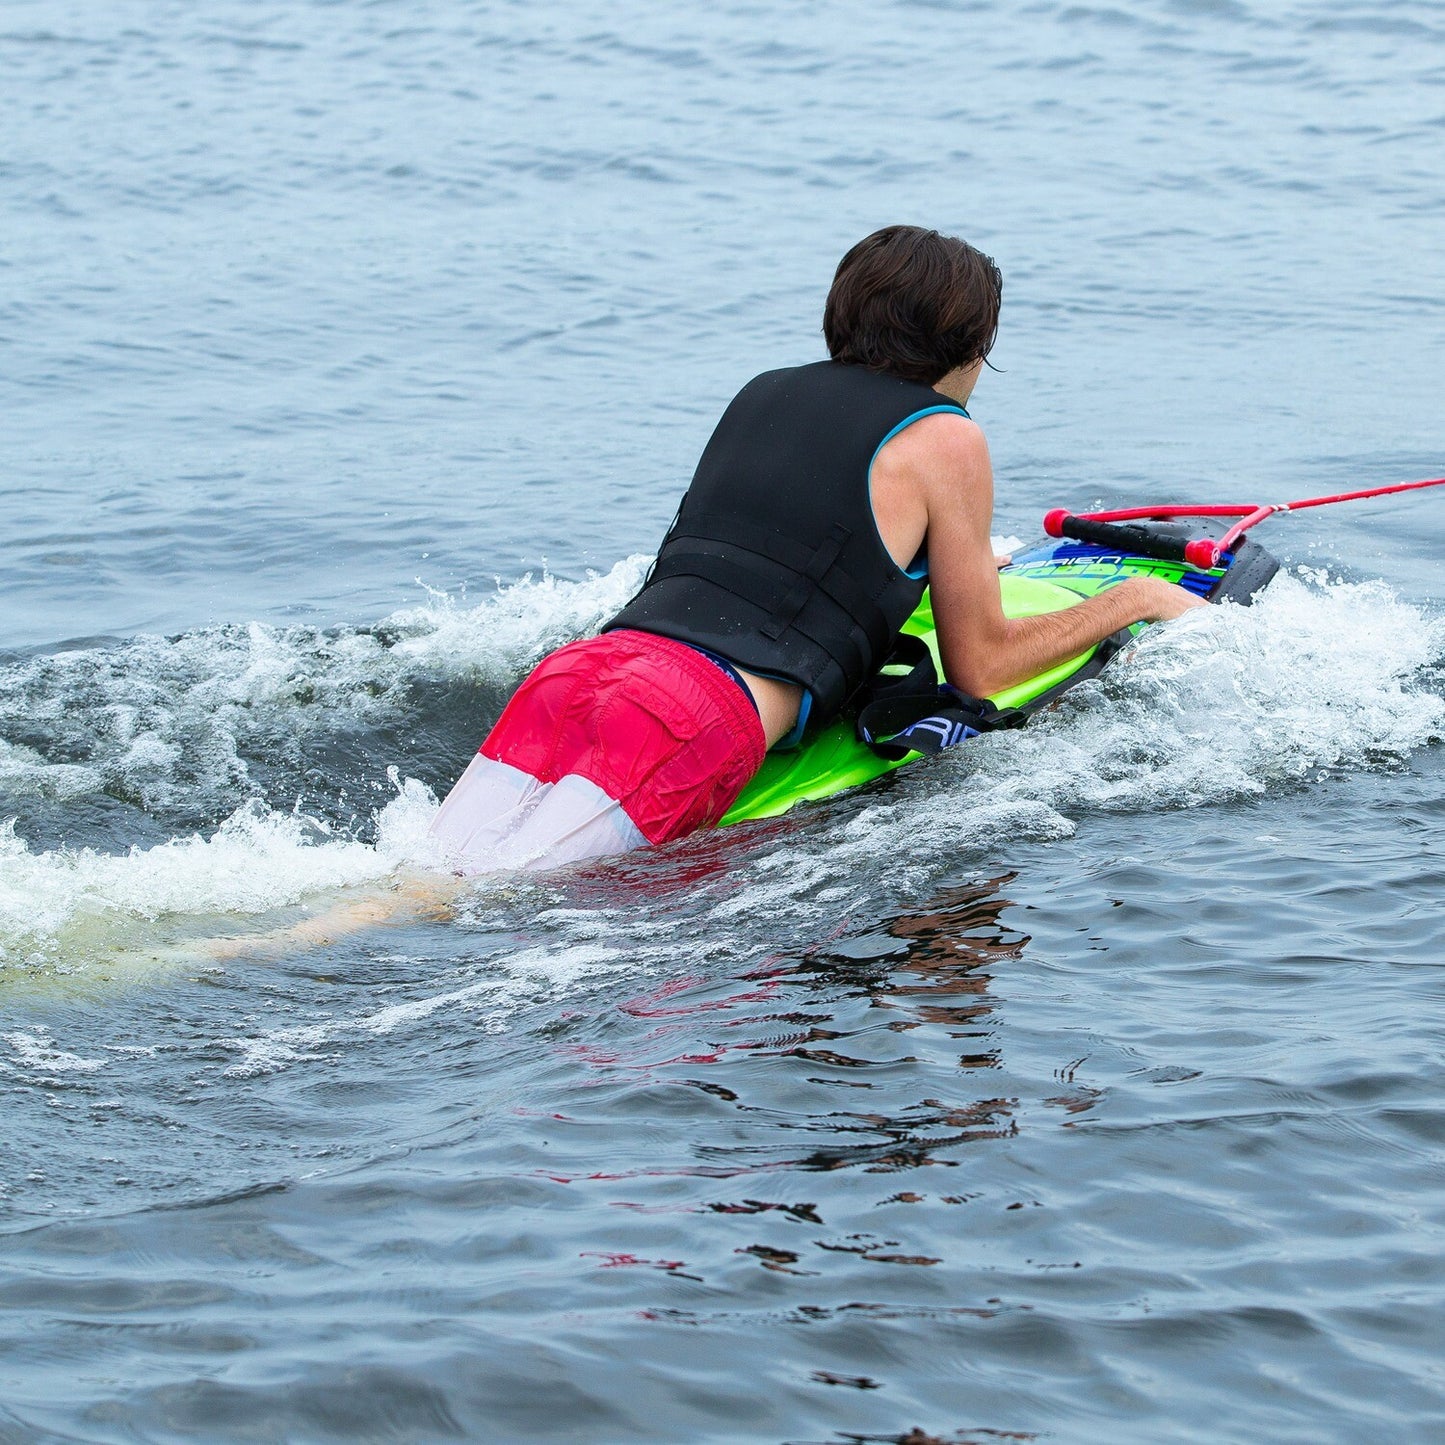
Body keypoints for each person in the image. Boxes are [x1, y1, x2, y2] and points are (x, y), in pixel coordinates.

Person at [429, 225, 1202, 874]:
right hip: (688, 716)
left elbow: (788, 556)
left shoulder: (764, 390)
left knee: (410, 883)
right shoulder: (945, 433)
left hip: (580, 674)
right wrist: (1130, 600)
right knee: (475, 907)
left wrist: (950, 575)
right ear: (971, 348)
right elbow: (983, 667)